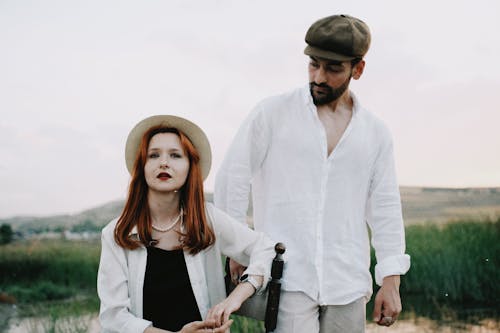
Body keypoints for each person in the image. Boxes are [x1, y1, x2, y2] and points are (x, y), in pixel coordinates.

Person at [214, 14, 411, 333]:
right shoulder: (272, 113)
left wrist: (390, 279)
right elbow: (232, 178)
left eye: (332, 68)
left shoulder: (375, 133)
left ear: (357, 69)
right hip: (286, 278)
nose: (319, 76)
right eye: (313, 64)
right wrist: (237, 249)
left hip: (347, 282)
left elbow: (385, 206)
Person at [97, 115, 275, 333]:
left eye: (175, 155)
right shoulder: (117, 234)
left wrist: (236, 297)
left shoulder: (207, 218)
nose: (164, 162)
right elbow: (113, 317)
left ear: (190, 167)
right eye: (153, 155)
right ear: (142, 167)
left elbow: (266, 248)